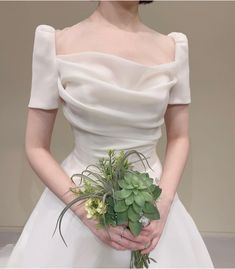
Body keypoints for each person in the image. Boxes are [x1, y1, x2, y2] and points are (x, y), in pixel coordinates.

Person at [2, 0, 214, 267]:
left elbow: (180, 137)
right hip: (80, 200)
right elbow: (36, 147)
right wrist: (86, 213)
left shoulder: (173, 48)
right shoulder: (56, 43)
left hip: (152, 206)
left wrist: (163, 204)